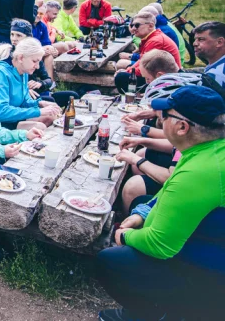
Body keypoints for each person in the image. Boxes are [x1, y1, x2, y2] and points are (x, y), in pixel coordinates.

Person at [96, 86, 225, 321]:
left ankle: (156, 314)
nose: (160, 118)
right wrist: (142, 214)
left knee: (110, 261)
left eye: (165, 114)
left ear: (182, 126)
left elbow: (160, 245)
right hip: (213, 237)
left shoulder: (200, 171)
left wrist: (123, 236)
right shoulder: (208, 150)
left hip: (214, 272)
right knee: (143, 201)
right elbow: (168, 189)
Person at [117, 67, 197, 215]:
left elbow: (171, 178)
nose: (159, 118)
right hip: (186, 189)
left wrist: (136, 159)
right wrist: (143, 140)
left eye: (164, 116)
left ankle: (129, 222)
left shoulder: (192, 141)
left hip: (187, 200)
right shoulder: (192, 131)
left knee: (133, 185)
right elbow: (172, 148)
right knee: (143, 154)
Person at [0, 38, 61, 129]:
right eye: (34, 61)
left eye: (38, 62)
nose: (37, 67)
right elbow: (1, 112)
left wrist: (40, 103)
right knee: (40, 126)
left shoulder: (23, 71)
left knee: (52, 116)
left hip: (12, 118)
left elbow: (24, 101)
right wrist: (39, 112)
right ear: (21, 58)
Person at [10, 19, 79, 108]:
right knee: (50, 101)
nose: (14, 38)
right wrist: (24, 90)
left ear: (28, 38)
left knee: (73, 96)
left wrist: (40, 83)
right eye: (12, 34)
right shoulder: (9, 56)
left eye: (18, 35)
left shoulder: (33, 54)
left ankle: (65, 118)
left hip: (39, 92)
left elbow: (48, 80)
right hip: (25, 97)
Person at [114, 12, 181, 93]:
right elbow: (142, 61)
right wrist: (128, 70)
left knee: (121, 77)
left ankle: (131, 100)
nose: (134, 28)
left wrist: (127, 71)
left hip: (168, 80)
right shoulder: (152, 37)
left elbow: (145, 66)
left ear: (150, 25)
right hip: (156, 73)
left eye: (137, 25)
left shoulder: (155, 41)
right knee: (125, 71)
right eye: (132, 25)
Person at [192, 21, 225, 87]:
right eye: (195, 39)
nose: (194, 44)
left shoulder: (216, 75)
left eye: (201, 39)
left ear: (219, 42)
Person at [32, 7, 59, 80]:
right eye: (36, 13)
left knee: (49, 55)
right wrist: (42, 49)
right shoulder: (28, 25)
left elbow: (47, 43)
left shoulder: (42, 26)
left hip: (41, 51)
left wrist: (52, 49)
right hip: (30, 51)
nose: (38, 15)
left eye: (41, 14)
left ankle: (50, 82)